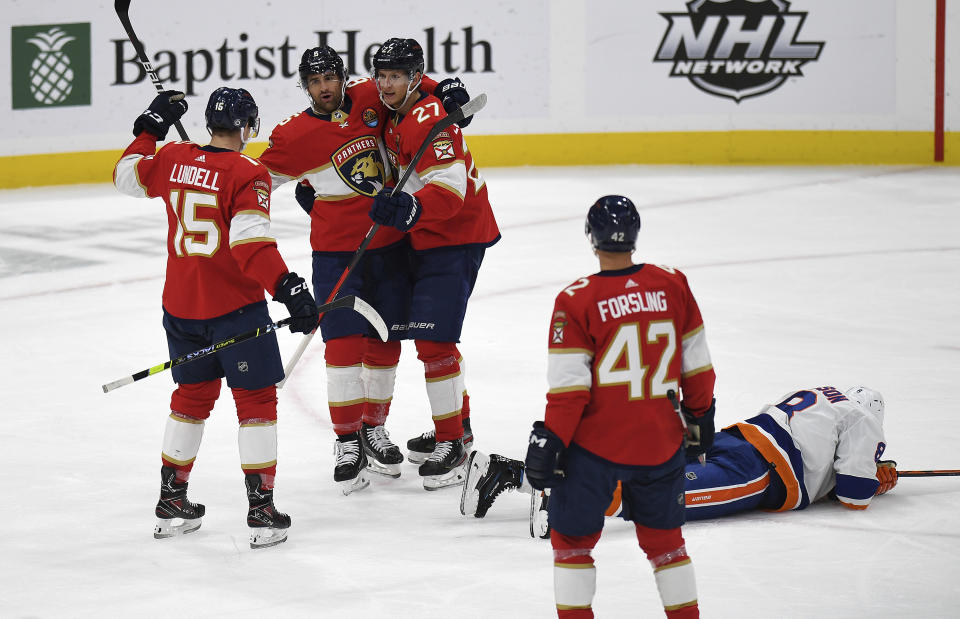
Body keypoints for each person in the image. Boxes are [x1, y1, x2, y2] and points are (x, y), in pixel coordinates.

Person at [258, 46, 475, 494]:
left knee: (386, 340)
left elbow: (409, 88)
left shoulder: (369, 97)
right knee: (341, 345)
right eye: (314, 82)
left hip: (391, 245)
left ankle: (373, 430)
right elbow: (255, 180)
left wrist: (445, 91)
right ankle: (346, 440)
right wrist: (221, 168)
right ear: (304, 86)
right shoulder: (292, 135)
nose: (324, 88)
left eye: (330, 78)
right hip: (337, 254)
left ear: (343, 77)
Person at [113, 87, 320, 549]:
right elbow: (250, 245)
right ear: (248, 128)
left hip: (181, 308)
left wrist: (151, 127)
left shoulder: (171, 156)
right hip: (235, 312)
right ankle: (262, 512)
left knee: (191, 394)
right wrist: (289, 289)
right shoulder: (250, 172)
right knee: (256, 402)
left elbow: (125, 175)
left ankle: (172, 500)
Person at [522, 195, 716, 618]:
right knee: (667, 545)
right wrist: (700, 417)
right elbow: (697, 367)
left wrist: (551, 441)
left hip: (596, 449)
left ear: (591, 238)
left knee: (572, 545)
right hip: (661, 442)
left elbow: (570, 393)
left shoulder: (576, 300)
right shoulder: (673, 283)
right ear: (635, 235)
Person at [462, 386, 898, 538]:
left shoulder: (828, 396)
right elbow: (853, 494)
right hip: (760, 470)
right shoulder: (865, 418)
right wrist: (879, 477)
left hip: (736, 439)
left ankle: (509, 473)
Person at [368, 37, 500, 490]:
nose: (386, 85)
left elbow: (450, 189)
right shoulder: (408, 99)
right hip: (427, 236)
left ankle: (454, 444)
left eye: (396, 77)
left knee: (434, 341)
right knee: (430, 339)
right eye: (381, 75)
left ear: (412, 77)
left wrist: (408, 209)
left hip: (455, 236)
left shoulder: (428, 118)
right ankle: (455, 427)